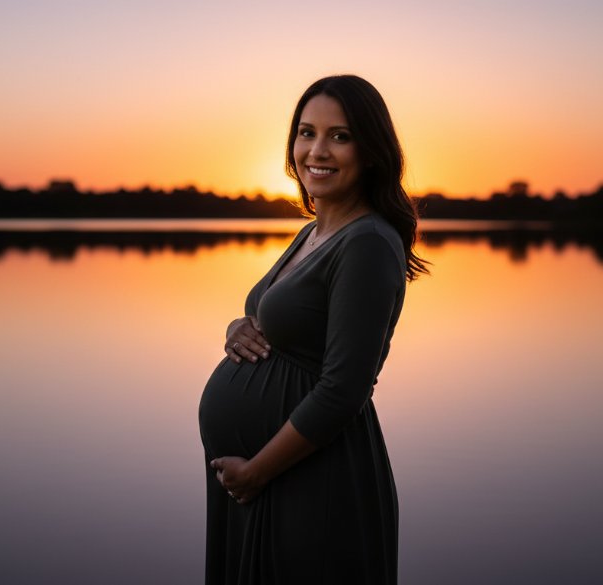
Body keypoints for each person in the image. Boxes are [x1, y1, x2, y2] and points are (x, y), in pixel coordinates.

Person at [198, 74, 429, 584]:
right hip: (265, 481)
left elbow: (344, 390)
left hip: (308, 480)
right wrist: (241, 325)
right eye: (306, 132)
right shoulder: (314, 231)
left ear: (371, 150)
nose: (317, 150)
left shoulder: (368, 242)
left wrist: (256, 472)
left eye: (339, 136)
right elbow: (283, 319)